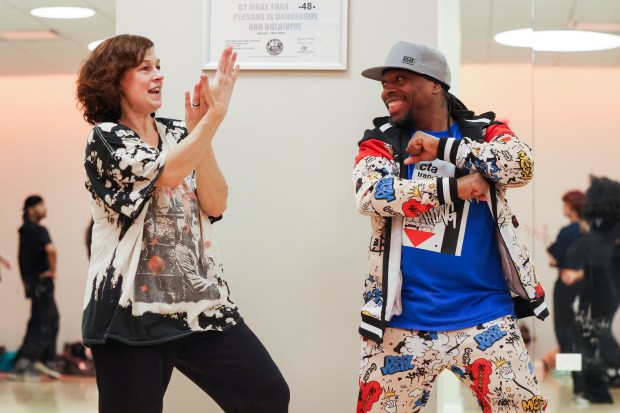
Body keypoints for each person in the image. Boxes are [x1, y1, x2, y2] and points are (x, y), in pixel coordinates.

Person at [75, 34, 288, 413]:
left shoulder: (178, 131)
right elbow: (168, 173)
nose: (158, 75)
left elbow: (216, 200)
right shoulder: (106, 139)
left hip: (198, 305)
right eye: (145, 68)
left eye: (158, 66)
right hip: (127, 317)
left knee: (266, 394)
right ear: (114, 79)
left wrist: (200, 132)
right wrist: (214, 117)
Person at [353, 41, 549, 413]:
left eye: (400, 78)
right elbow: (370, 195)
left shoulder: (484, 133)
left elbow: (521, 166)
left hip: (486, 317)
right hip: (400, 323)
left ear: (435, 85)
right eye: (384, 83)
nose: (387, 89)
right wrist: (456, 187)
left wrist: (448, 150)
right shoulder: (380, 142)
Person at [561, 176, 620, 404]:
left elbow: (592, 261)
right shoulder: (606, 232)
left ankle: (592, 387)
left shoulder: (606, 234)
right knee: (583, 337)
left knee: (583, 337)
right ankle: (588, 384)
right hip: (601, 292)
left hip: (599, 292)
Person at [9, 195, 61, 381]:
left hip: (34, 284)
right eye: (41, 206)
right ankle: (24, 362)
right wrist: (52, 270)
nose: (44, 209)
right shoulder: (39, 230)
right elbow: (51, 250)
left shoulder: (25, 231)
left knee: (49, 318)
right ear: (30, 209)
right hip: (42, 284)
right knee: (42, 321)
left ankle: (45, 360)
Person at [543, 191, 585, 385]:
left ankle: (569, 367)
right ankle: (577, 367)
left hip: (566, 284)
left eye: (565, 204)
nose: (563, 208)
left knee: (564, 324)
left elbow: (555, 257)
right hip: (584, 284)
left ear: (573, 206)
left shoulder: (568, 231)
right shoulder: (588, 231)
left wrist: (546, 242)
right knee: (579, 325)